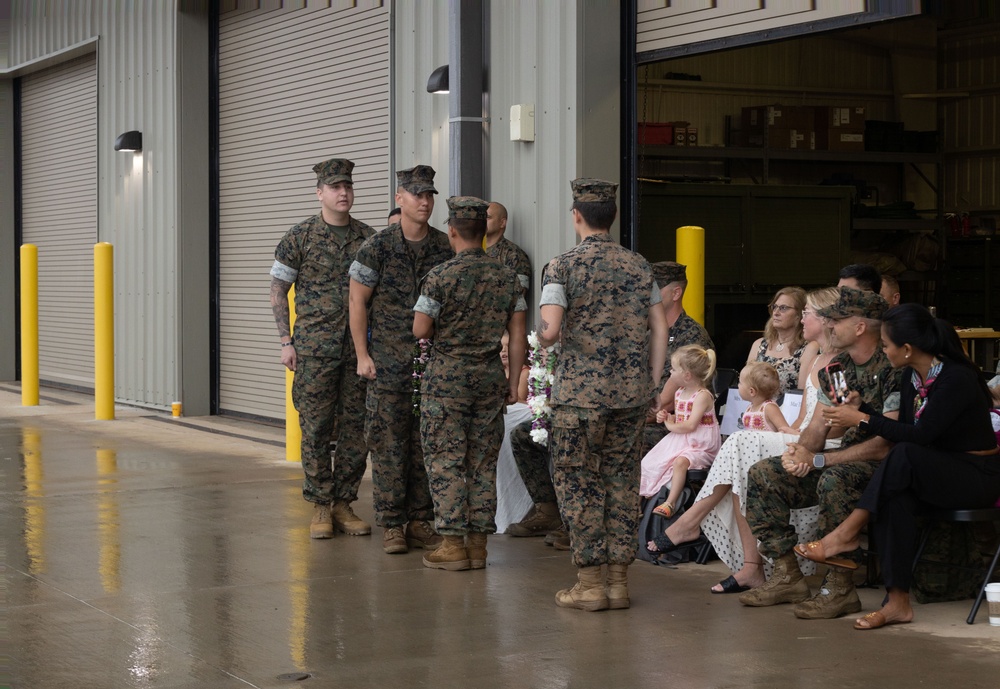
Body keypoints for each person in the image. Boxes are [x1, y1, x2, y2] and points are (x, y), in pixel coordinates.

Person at [795, 303, 1000, 629]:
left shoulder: (955, 379)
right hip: (940, 470)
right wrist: (864, 412)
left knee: (903, 453)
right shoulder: (912, 378)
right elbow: (906, 427)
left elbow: (921, 435)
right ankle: (897, 602)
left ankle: (846, 533)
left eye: (887, 345)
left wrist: (860, 420)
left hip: (976, 477)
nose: (884, 351)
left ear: (906, 349)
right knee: (896, 497)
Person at [651, 287, 845, 593]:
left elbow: (836, 423)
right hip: (802, 436)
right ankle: (748, 566)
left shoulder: (837, 364)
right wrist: (789, 433)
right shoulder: (822, 357)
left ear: (828, 320)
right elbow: (801, 419)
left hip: (823, 446)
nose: (803, 319)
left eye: (807, 313)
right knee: (744, 447)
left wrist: (798, 439)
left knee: (742, 443)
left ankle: (693, 524)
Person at [538, 177, 668, 612]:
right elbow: (660, 328)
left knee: (578, 485)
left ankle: (590, 583)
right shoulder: (639, 266)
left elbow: (552, 332)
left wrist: (537, 334)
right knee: (621, 484)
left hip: (579, 398)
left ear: (576, 216)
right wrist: (650, 382)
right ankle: (618, 583)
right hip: (630, 395)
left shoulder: (561, 267)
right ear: (611, 217)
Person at [740, 286, 902, 620]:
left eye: (836, 319)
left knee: (834, 479)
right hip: (844, 459)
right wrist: (800, 452)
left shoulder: (892, 367)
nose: (827, 325)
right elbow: (818, 429)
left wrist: (820, 459)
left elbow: (885, 444)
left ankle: (840, 588)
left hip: (887, 468)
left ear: (859, 327)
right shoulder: (838, 367)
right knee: (764, 474)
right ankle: (787, 576)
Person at [413, 196, 527, 571]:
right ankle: (478, 544)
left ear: (452, 231)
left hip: (447, 380)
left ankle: (451, 544)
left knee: (446, 460)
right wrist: (513, 382)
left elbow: (421, 328)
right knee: (482, 461)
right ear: (482, 232)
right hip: (490, 379)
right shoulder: (508, 277)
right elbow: (518, 335)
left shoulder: (440, 276)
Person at [348, 164, 454, 555]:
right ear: (399, 199)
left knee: (426, 443)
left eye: (429, 195)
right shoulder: (376, 247)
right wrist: (362, 355)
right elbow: (357, 302)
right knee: (389, 444)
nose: (424, 201)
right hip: (387, 362)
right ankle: (392, 523)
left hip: (433, 365)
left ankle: (421, 520)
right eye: (416, 195)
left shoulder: (445, 247)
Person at [270, 157, 375, 540]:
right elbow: (278, 290)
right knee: (314, 429)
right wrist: (286, 341)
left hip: (358, 350)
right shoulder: (299, 237)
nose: (343, 193)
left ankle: (345, 504)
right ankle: (320, 505)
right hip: (314, 349)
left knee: (355, 429)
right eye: (335, 187)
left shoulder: (369, 239)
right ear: (320, 193)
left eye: (347, 186)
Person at [640, 345, 720, 519]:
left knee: (680, 462)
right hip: (683, 439)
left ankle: (671, 502)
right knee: (652, 460)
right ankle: (646, 497)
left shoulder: (702, 396)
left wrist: (669, 426)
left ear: (687, 375)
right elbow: (681, 417)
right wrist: (669, 416)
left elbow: (691, 425)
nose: (670, 372)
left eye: (674, 369)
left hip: (700, 445)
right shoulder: (680, 392)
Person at [646, 261, 715, 453]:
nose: (647, 296)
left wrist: (624, 421)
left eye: (655, 290)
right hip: (648, 420)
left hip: (676, 425)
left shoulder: (692, 337)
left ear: (676, 293)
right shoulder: (647, 334)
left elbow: (667, 402)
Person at [747, 287, 819, 394]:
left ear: (799, 314)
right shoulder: (758, 345)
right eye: (774, 307)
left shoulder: (810, 347)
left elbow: (801, 395)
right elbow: (745, 385)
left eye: (783, 308)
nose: (776, 312)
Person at [485, 202, 532, 298]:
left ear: (502, 223)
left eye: (488, 217)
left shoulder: (513, 254)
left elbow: (518, 300)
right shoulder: (474, 250)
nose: (482, 221)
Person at [735, 361, 787, 432]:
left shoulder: (769, 408)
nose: (738, 385)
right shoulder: (750, 408)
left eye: (740, 382)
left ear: (751, 391)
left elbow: (785, 429)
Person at [501, 331, 529, 403]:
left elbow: (517, 402)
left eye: (508, 346)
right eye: (501, 346)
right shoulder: (497, 370)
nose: (504, 350)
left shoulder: (525, 372)